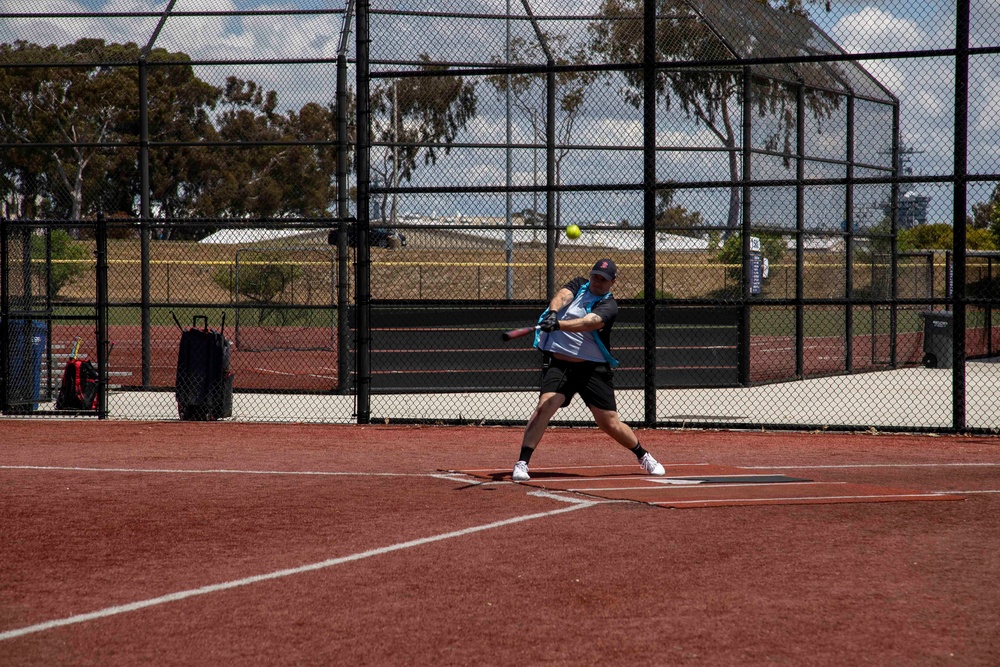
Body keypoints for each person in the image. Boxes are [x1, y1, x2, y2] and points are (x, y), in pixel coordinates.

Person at [512, 258, 665, 481]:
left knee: (609, 422)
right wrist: (553, 313)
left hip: (592, 368)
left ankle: (643, 455)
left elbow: (588, 323)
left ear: (612, 282)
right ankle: (522, 463)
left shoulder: (609, 306)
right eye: (595, 276)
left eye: (603, 279)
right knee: (545, 406)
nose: (597, 281)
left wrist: (558, 325)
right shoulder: (578, 285)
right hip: (561, 366)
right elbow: (562, 296)